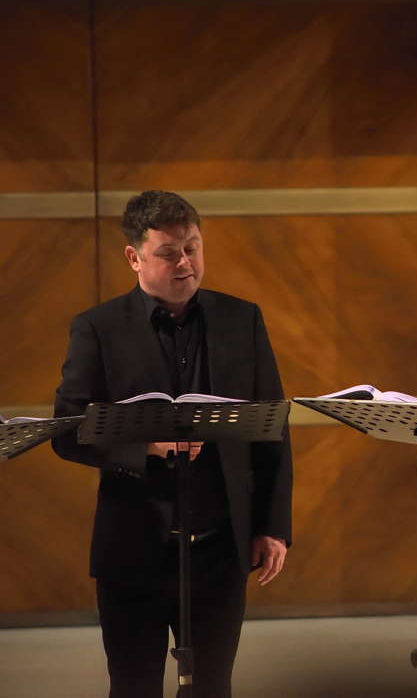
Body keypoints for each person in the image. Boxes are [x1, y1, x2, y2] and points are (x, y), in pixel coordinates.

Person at [52, 190, 293, 698]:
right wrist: (146, 448)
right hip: (133, 547)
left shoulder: (241, 318)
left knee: (211, 688)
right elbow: (67, 432)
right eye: (168, 252)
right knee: (133, 686)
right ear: (134, 257)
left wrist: (273, 526)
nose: (185, 263)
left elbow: (270, 427)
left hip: (219, 549)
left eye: (193, 247)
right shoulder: (97, 328)